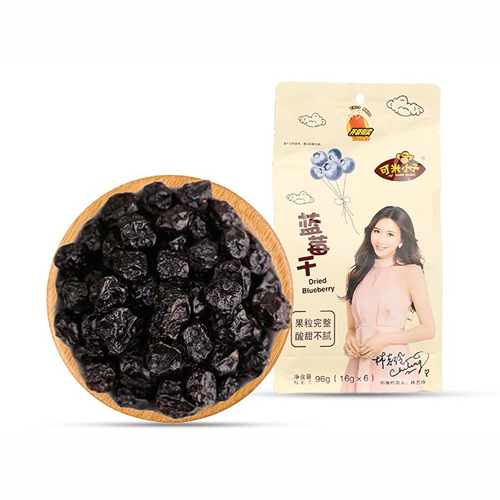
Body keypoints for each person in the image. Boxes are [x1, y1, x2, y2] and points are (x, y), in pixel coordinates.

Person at [340, 206, 435, 393]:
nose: (380, 240)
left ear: (401, 240)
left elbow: (428, 329)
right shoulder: (354, 276)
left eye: (390, 234)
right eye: (377, 231)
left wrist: (383, 340)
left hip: (393, 365)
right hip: (358, 364)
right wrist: (349, 339)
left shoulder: (411, 272)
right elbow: (352, 328)